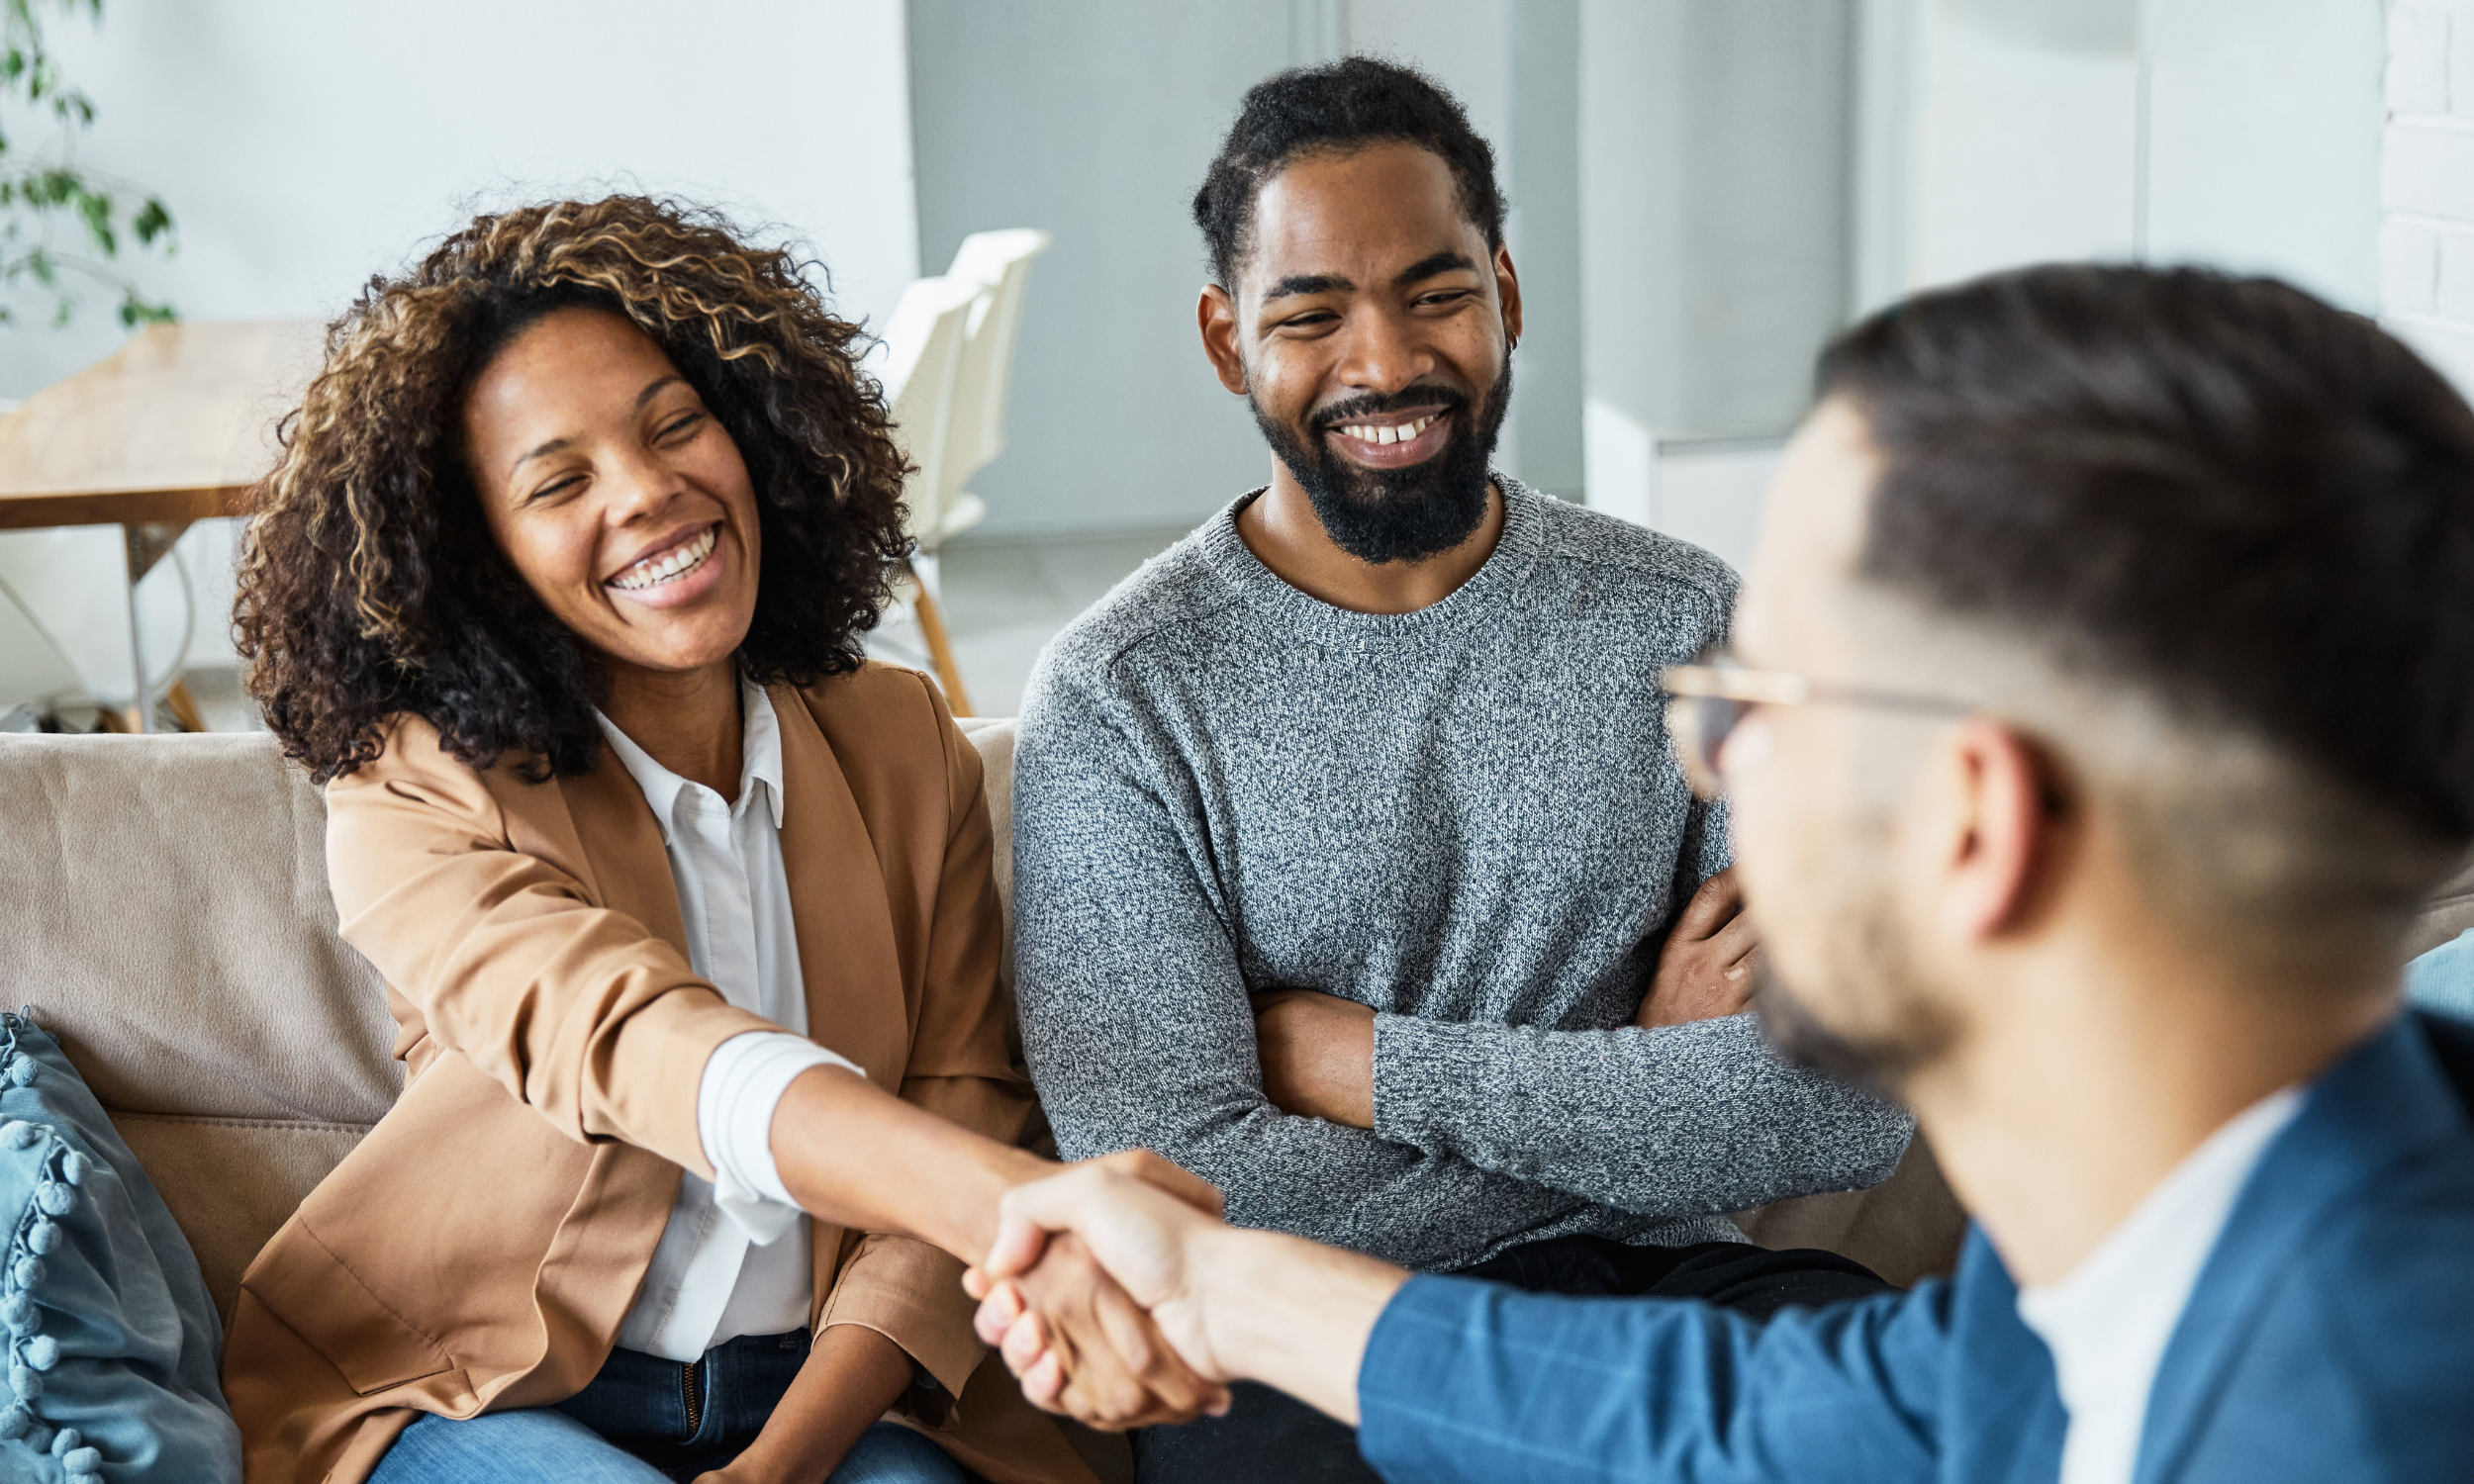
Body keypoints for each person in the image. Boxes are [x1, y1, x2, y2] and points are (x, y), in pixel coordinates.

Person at [976, 264, 2474, 1481]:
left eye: (1766, 699)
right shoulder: (2152, 1256)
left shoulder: (2345, 1413)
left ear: (1973, 826)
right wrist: (1212, 1281)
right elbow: (1744, 1423)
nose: (1706, 761)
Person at [1008, 55, 1915, 1483]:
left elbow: (1842, 1105)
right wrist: (1638, 1076)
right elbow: (1183, 1199)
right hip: (1300, 1357)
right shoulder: (1122, 693)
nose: (1384, 363)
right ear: (1225, 340)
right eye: (1312, 314)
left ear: (1506, 292)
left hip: (1660, 1288)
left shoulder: (1690, 619)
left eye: (1434, 293)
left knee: (1929, 1430)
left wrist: (1357, 1064)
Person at [223, 196, 1220, 1484]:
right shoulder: (414, 789)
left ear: (754, 426)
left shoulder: (899, 739)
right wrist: (1019, 1206)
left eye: (674, 423)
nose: (648, 494)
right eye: (560, 481)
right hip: (490, 1394)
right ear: (479, 556)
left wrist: (787, 1461)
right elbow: (632, 1038)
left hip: (840, 1393)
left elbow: (960, 1090)